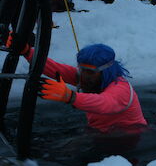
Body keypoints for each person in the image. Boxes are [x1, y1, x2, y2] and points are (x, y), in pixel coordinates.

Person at [14, 41, 148, 133]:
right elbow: (56, 69)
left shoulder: (121, 88)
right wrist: (27, 52)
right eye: (81, 69)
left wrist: (70, 96)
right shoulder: (89, 78)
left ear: (106, 71)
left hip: (130, 138)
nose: (84, 76)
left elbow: (104, 103)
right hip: (101, 133)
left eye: (90, 72)